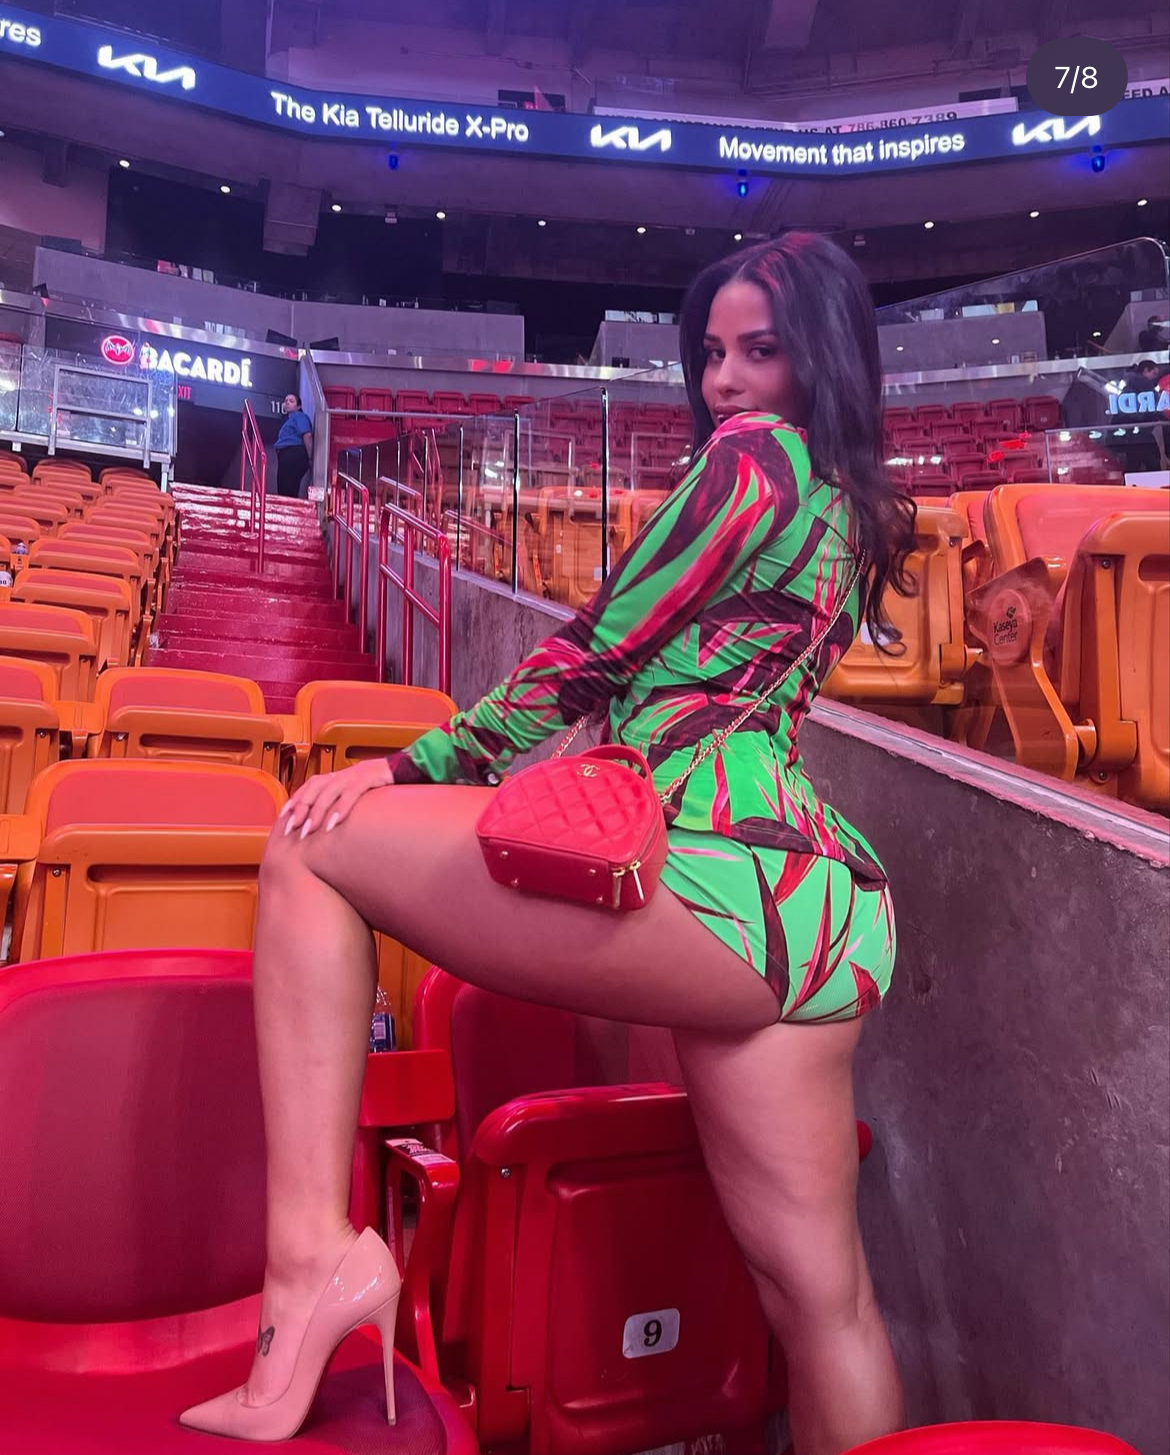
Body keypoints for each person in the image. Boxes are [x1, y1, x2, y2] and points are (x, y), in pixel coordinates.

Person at [181, 233, 916, 1455]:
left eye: (761, 352)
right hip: (821, 908)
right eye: (712, 354)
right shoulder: (850, 496)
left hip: (710, 864)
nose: (725, 380)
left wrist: (415, 764)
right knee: (825, 1303)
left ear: (819, 356)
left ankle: (311, 1261)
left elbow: (596, 649)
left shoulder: (751, 462)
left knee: (310, 850)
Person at [274, 393, 313, 497]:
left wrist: (310, 457)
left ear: (298, 406)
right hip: (286, 455)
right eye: (286, 400)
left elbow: (307, 435)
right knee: (284, 486)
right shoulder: (288, 419)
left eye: (291, 401)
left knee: (288, 487)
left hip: (293, 454)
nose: (287, 402)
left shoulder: (300, 416)